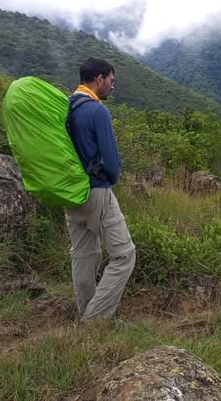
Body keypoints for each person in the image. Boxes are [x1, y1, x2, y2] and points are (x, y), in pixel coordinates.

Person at [65, 57, 136, 321]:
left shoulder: (67, 106)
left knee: (84, 254)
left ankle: (86, 310)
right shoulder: (97, 111)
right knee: (124, 255)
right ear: (99, 79)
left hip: (70, 192)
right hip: (96, 191)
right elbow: (111, 161)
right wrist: (112, 179)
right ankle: (94, 320)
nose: (112, 87)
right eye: (111, 81)